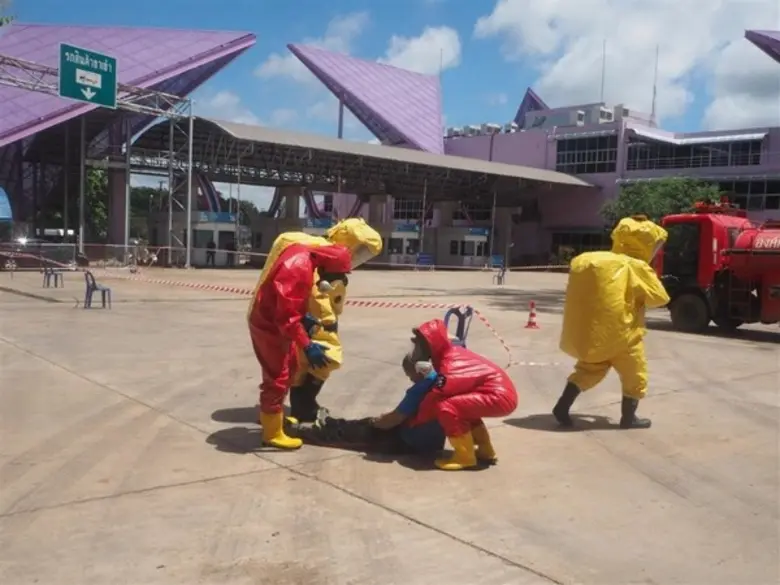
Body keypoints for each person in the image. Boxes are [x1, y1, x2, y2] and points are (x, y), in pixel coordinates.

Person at [253, 218, 382, 423]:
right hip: (295, 325)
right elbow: (304, 304)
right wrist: (313, 333)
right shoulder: (310, 262)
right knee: (304, 366)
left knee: (295, 368)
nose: (358, 258)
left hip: (297, 324)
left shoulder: (322, 260)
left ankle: (287, 412)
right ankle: (278, 421)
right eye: (359, 251)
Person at [553, 215, 670, 430]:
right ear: (645, 243)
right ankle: (629, 418)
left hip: (596, 336)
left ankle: (562, 406)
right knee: (635, 375)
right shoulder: (636, 266)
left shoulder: (595, 260)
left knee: (587, 371)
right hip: (625, 336)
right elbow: (659, 298)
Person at [247, 242, 352, 450]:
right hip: (269, 326)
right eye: (336, 274)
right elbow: (287, 319)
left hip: (274, 320)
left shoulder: (305, 257)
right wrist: (307, 345)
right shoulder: (299, 267)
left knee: (292, 367)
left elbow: (287, 303)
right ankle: (272, 433)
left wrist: (304, 318)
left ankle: (274, 417)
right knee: (278, 376)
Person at [408, 318, 518, 471]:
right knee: (463, 409)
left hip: (499, 397)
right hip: (498, 394)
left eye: (420, 344)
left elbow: (437, 393)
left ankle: (464, 457)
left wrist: (417, 419)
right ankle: (485, 450)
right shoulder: (448, 354)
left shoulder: (450, 362)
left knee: (446, 407)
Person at [288, 353, 447, 456]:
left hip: (409, 442)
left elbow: (392, 420)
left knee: (360, 431)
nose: (410, 379)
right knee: (366, 423)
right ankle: (331, 423)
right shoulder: (437, 379)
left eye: (410, 375)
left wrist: (376, 422)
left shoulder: (418, 390)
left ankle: (305, 432)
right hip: (430, 441)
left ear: (419, 370)